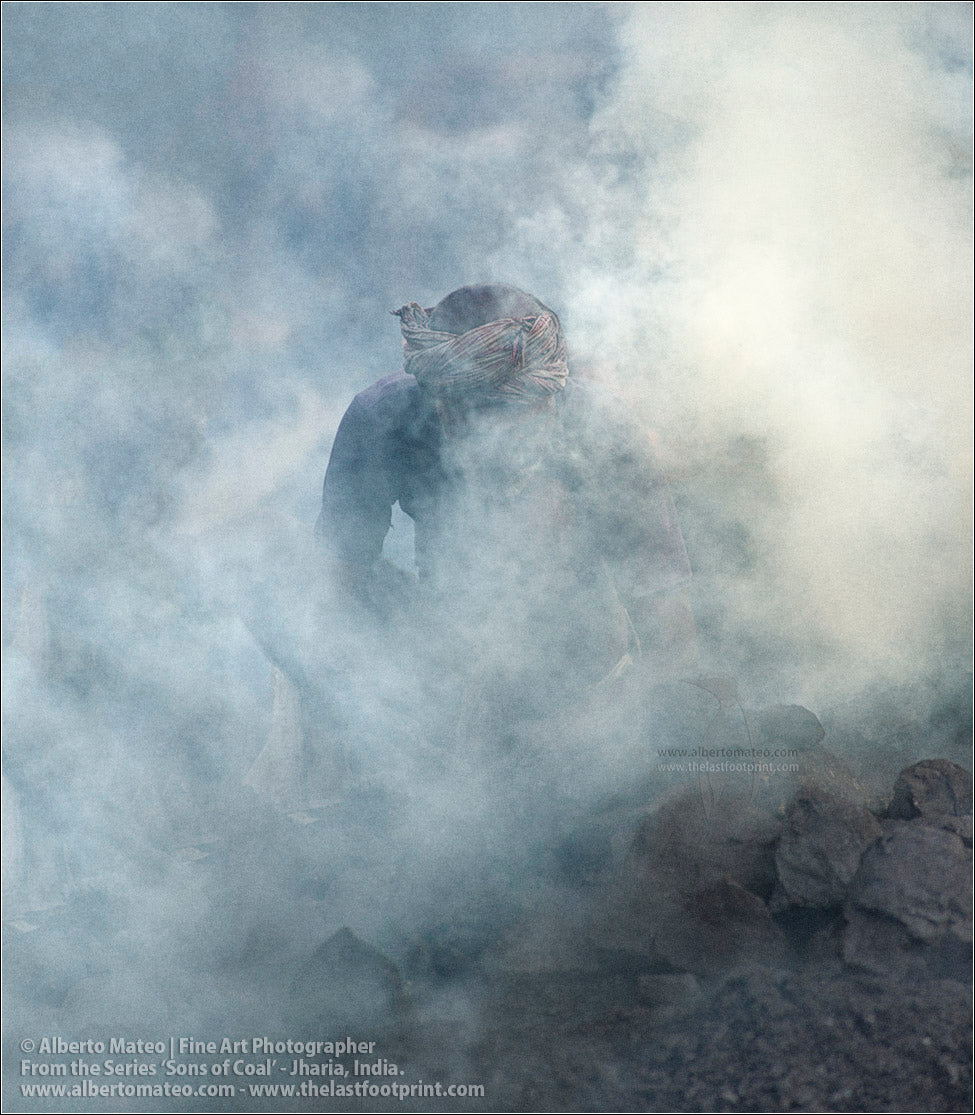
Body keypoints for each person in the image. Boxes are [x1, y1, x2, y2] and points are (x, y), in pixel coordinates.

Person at [311, 284, 698, 771]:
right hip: (439, 658)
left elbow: (672, 642)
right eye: (480, 421)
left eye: (521, 417)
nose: (503, 443)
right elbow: (333, 595)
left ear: (552, 395)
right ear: (439, 403)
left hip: (584, 679)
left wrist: (573, 735)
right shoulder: (383, 420)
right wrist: (380, 727)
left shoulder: (602, 429)